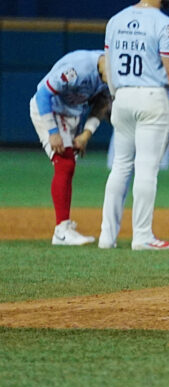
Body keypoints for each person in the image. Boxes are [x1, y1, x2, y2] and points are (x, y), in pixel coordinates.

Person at [100, 0, 169, 251]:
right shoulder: (164, 24)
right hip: (152, 98)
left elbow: (108, 65)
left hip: (123, 97)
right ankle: (141, 237)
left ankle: (107, 237)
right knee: (146, 169)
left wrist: (115, 95)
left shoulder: (115, 20)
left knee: (120, 167)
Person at [30, 50, 111, 245]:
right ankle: (61, 230)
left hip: (71, 115)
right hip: (49, 110)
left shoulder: (110, 77)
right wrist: (52, 131)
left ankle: (63, 227)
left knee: (68, 167)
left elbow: (101, 104)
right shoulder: (78, 69)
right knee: (64, 164)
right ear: (108, 60)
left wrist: (86, 134)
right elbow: (43, 95)